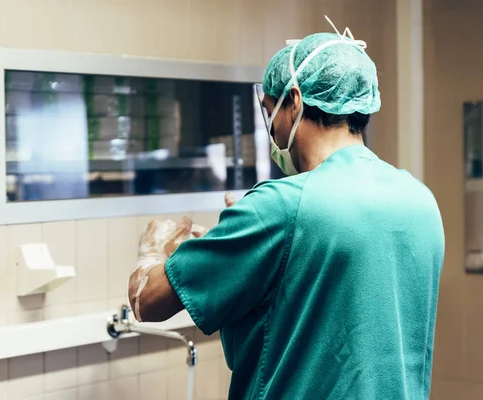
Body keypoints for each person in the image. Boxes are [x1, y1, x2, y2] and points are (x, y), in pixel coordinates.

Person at [128, 18, 445, 400]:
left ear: (294, 102)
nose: (273, 129)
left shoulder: (279, 207)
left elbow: (148, 302)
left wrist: (153, 250)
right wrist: (234, 243)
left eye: (270, 110)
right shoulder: (419, 200)